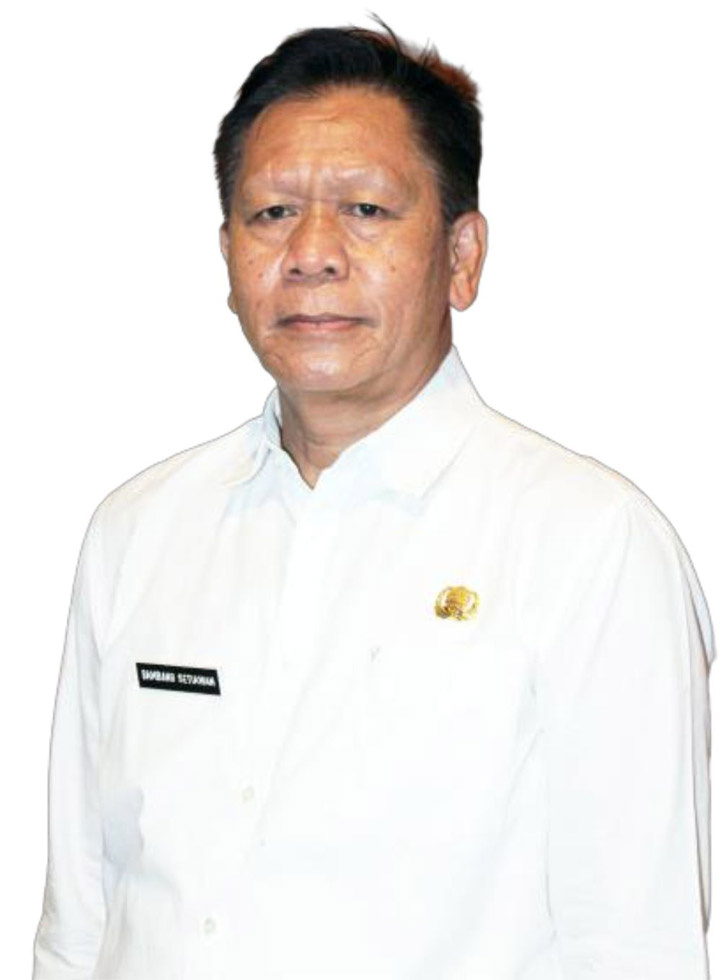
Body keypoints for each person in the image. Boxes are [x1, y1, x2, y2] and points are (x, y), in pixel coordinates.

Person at [33, 20, 715, 980]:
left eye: (365, 208)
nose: (312, 253)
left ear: (462, 255)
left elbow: (638, 953)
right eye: (272, 212)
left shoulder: (591, 545)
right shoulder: (137, 531)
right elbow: (77, 928)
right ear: (226, 254)